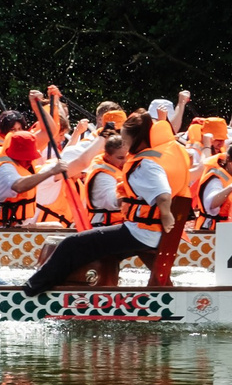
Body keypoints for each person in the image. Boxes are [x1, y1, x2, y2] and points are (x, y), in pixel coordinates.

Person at [26, 113, 176, 292]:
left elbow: (163, 195)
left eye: (125, 136)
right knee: (87, 248)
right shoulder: (143, 161)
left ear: (135, 138)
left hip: (143, 232)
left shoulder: (145, 164)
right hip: (144, 231)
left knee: (70, 244)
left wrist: (166, 216)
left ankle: (31, 289)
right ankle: (74, 288)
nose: (123, 141)